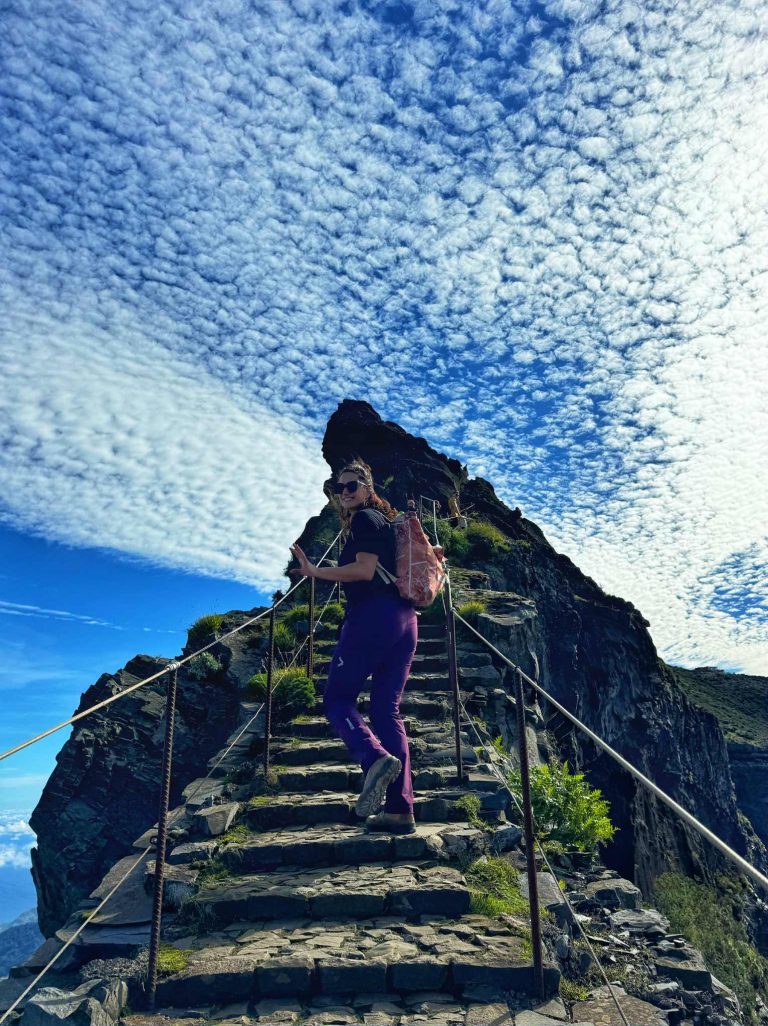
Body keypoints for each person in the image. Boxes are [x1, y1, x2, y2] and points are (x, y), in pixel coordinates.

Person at [289, 458, 418, 834]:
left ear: (367, 487)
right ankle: (400, 811)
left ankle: (373, 757)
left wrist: (315, 572)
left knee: (337, 699)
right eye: (338, 487)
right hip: (405, 619)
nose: (344, 493)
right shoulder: (387, 523)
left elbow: (363, 570)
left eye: (351, 485)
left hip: (373, 616)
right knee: (386, 710)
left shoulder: (365, 519)